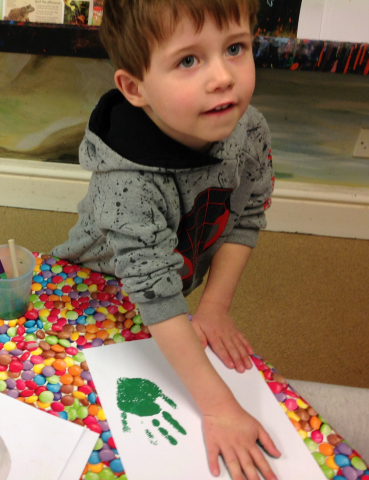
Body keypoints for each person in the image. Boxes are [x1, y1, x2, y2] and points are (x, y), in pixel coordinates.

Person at [51, 0, 280, 478]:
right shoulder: (127, 184)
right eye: (189, 60)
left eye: (235, 47)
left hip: (168, 288)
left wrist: (214, 306)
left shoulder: (250, 129)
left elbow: (246, 214)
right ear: (135, 88)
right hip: (90, 296)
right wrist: (218, 407)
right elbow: (152, 292)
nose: (223, 76)